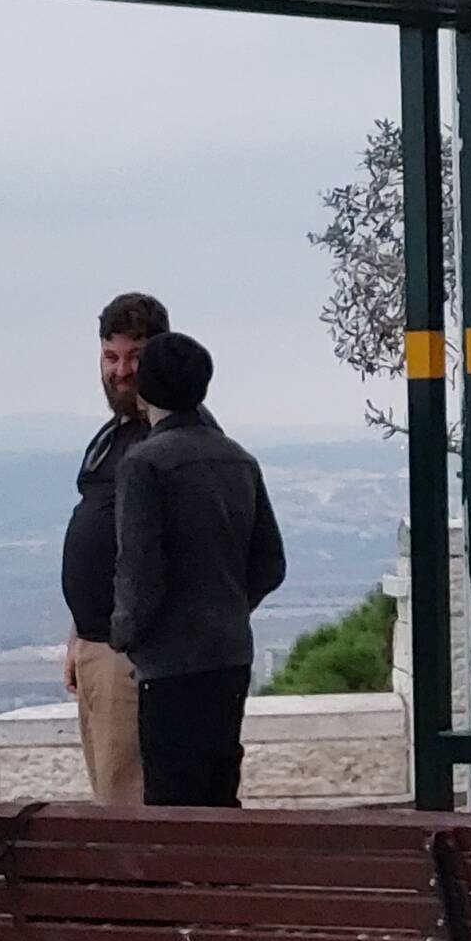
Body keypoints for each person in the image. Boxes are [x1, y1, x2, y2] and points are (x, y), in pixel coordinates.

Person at [109, 332, 285, 807]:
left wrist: (127, 633)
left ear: (145, 389)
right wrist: (228, 606)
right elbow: (271, 562)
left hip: (169, 663)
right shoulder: (239, 459)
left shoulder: (143, 464)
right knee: (219, 789)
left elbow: (139, 568)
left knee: (172, 799)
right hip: (229, 654)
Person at [62, 292, 168, 805]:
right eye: (111, 357)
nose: (121, 372)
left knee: (127, 804)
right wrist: (77, 637)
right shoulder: (112, 436)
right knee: (108, 791)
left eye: (134, 357)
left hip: (131, 654)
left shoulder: (167, 440)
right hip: (95, 645)